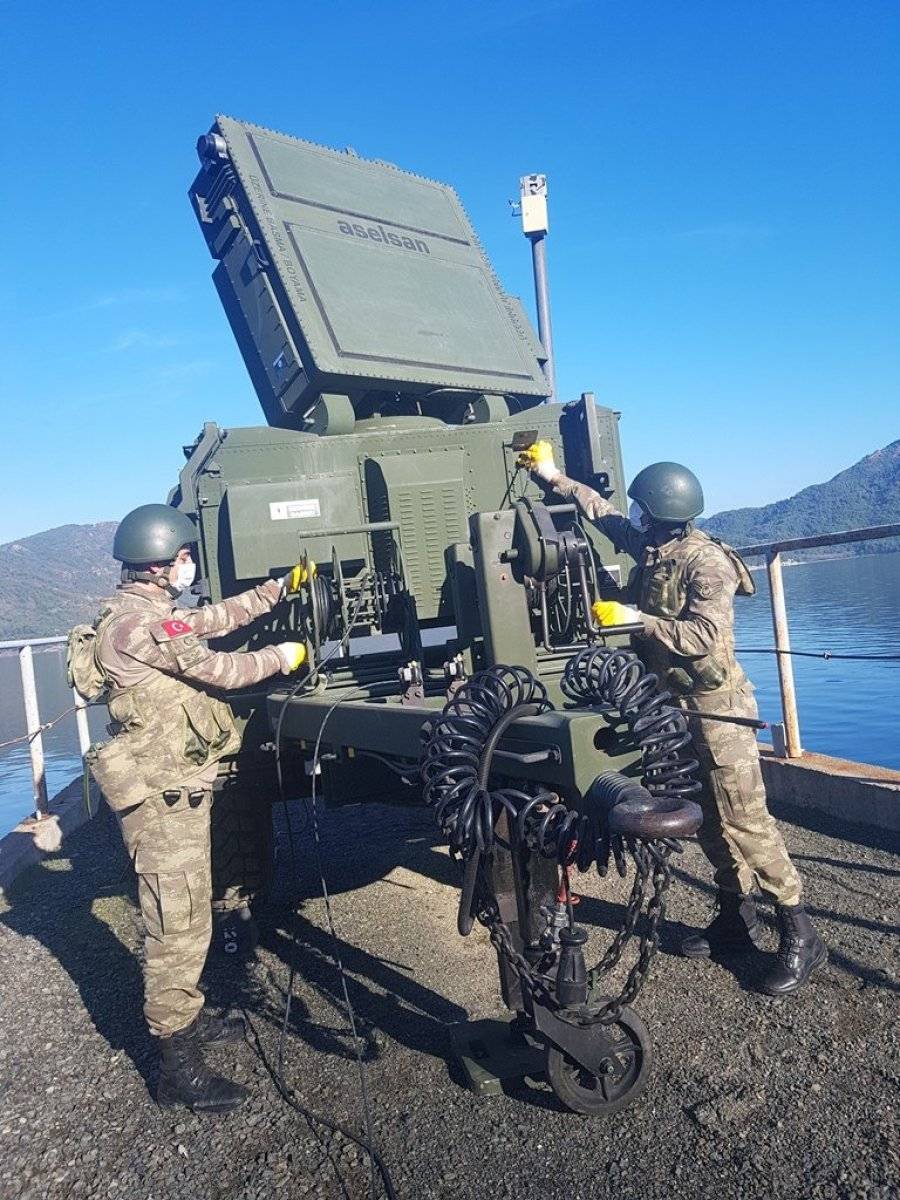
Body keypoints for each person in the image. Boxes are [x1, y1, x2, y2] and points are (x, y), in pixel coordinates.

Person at [519, 443, 827, 995]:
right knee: (707, 818)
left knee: (745, 819)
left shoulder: (707, 562)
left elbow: (703, 638)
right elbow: (602, 514)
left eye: (642, 509)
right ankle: (735, 917)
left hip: (719, 712)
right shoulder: (655, 546)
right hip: (675, 710)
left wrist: (637, 618)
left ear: (662, 511)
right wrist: (551, 477)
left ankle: (800, 931)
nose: (634, 517)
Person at [84, 503, 309, 1113]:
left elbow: (208, 619)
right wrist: (282, 659)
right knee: (175, 928)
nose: (190, 569)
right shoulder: (140, 627)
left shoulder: (147, 613)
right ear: (163, 564)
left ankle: (190, 1023)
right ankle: (176, 1068)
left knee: (190, 915)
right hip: (161, 799)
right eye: (185, 560)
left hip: (175, 789)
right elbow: (223, 669)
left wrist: (274, 591)